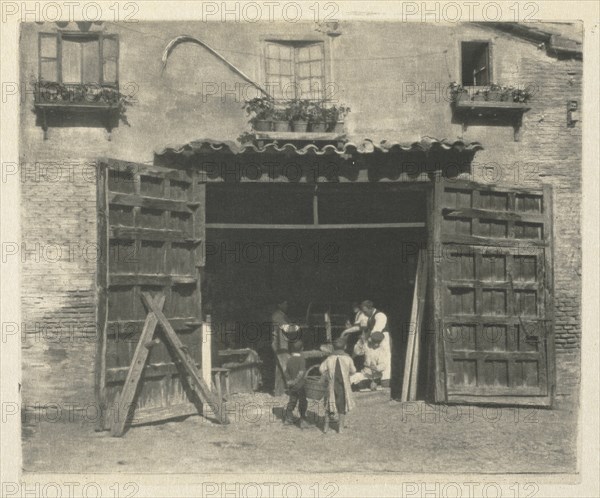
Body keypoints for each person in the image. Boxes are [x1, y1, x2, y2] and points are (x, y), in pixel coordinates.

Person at [319, 337, 356, 434]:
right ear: (345, 347)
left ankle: (326, 427)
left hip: (331, 386)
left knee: (329, 405)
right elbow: (353, 370)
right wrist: (347, 374)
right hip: (342, 386)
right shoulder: (348, 358)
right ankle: (340, 428)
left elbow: (321, 369)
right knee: (342, 406)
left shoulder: (329, 358)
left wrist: (327, 373)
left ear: (334, 348)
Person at [352, 300, 392, 387]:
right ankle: (373, 383)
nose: (364, 314)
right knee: (372, 361)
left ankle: (385, 387)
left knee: (385, 364)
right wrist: (363, 339)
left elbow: (376, 331)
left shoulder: (380, 315)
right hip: (374, 340)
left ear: (371, 309)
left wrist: (368, 339)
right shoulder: (369, 317)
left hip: (382, 340)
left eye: (365, 312)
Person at [271, 299, 302, 395]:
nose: (287, 305)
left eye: (287, 303)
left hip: (283, 344)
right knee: (287, 367)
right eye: (285, 304)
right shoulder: (277, 316)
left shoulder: (283, 315)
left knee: (280, 368)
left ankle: (278, 392)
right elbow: (287, 328)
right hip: (279, 346)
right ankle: (293, 390)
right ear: (279, 304)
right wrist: (299, 327)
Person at [284, 340, 309, 428]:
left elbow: (286, 372)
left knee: (292, 401)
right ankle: (302, 420)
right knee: (303, 402)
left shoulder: (289, 359)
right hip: (300, 385)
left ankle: (288, 419)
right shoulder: (301, 359)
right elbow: (301, 373)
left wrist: (289, 381)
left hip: (292, 386)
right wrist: (295, 381)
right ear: (302, 349)